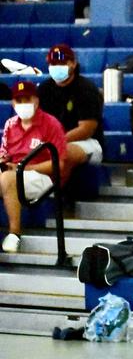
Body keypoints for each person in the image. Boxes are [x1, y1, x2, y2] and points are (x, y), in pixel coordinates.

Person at [0, 81, 67, 253]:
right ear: (13, 104)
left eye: (26, 99)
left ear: (36, 101)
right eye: (18, 101)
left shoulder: (51, 124)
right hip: (14, 173)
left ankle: (14, 234)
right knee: (7, 177)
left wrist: (22, 168)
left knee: (8, 178)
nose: (23, 104)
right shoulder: (10, 125)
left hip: (42, 178)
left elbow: (58, 164)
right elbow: (5, 152)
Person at [38, 44, 104, 177]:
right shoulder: (44, 89)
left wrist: (57, 141)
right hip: (50, 141)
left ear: (73, 63)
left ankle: (59, 194)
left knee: (63, 152)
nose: (57, 67)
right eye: (53, 63)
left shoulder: (86, 89)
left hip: (87, 142)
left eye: (62, 63)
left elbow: (86, 129)